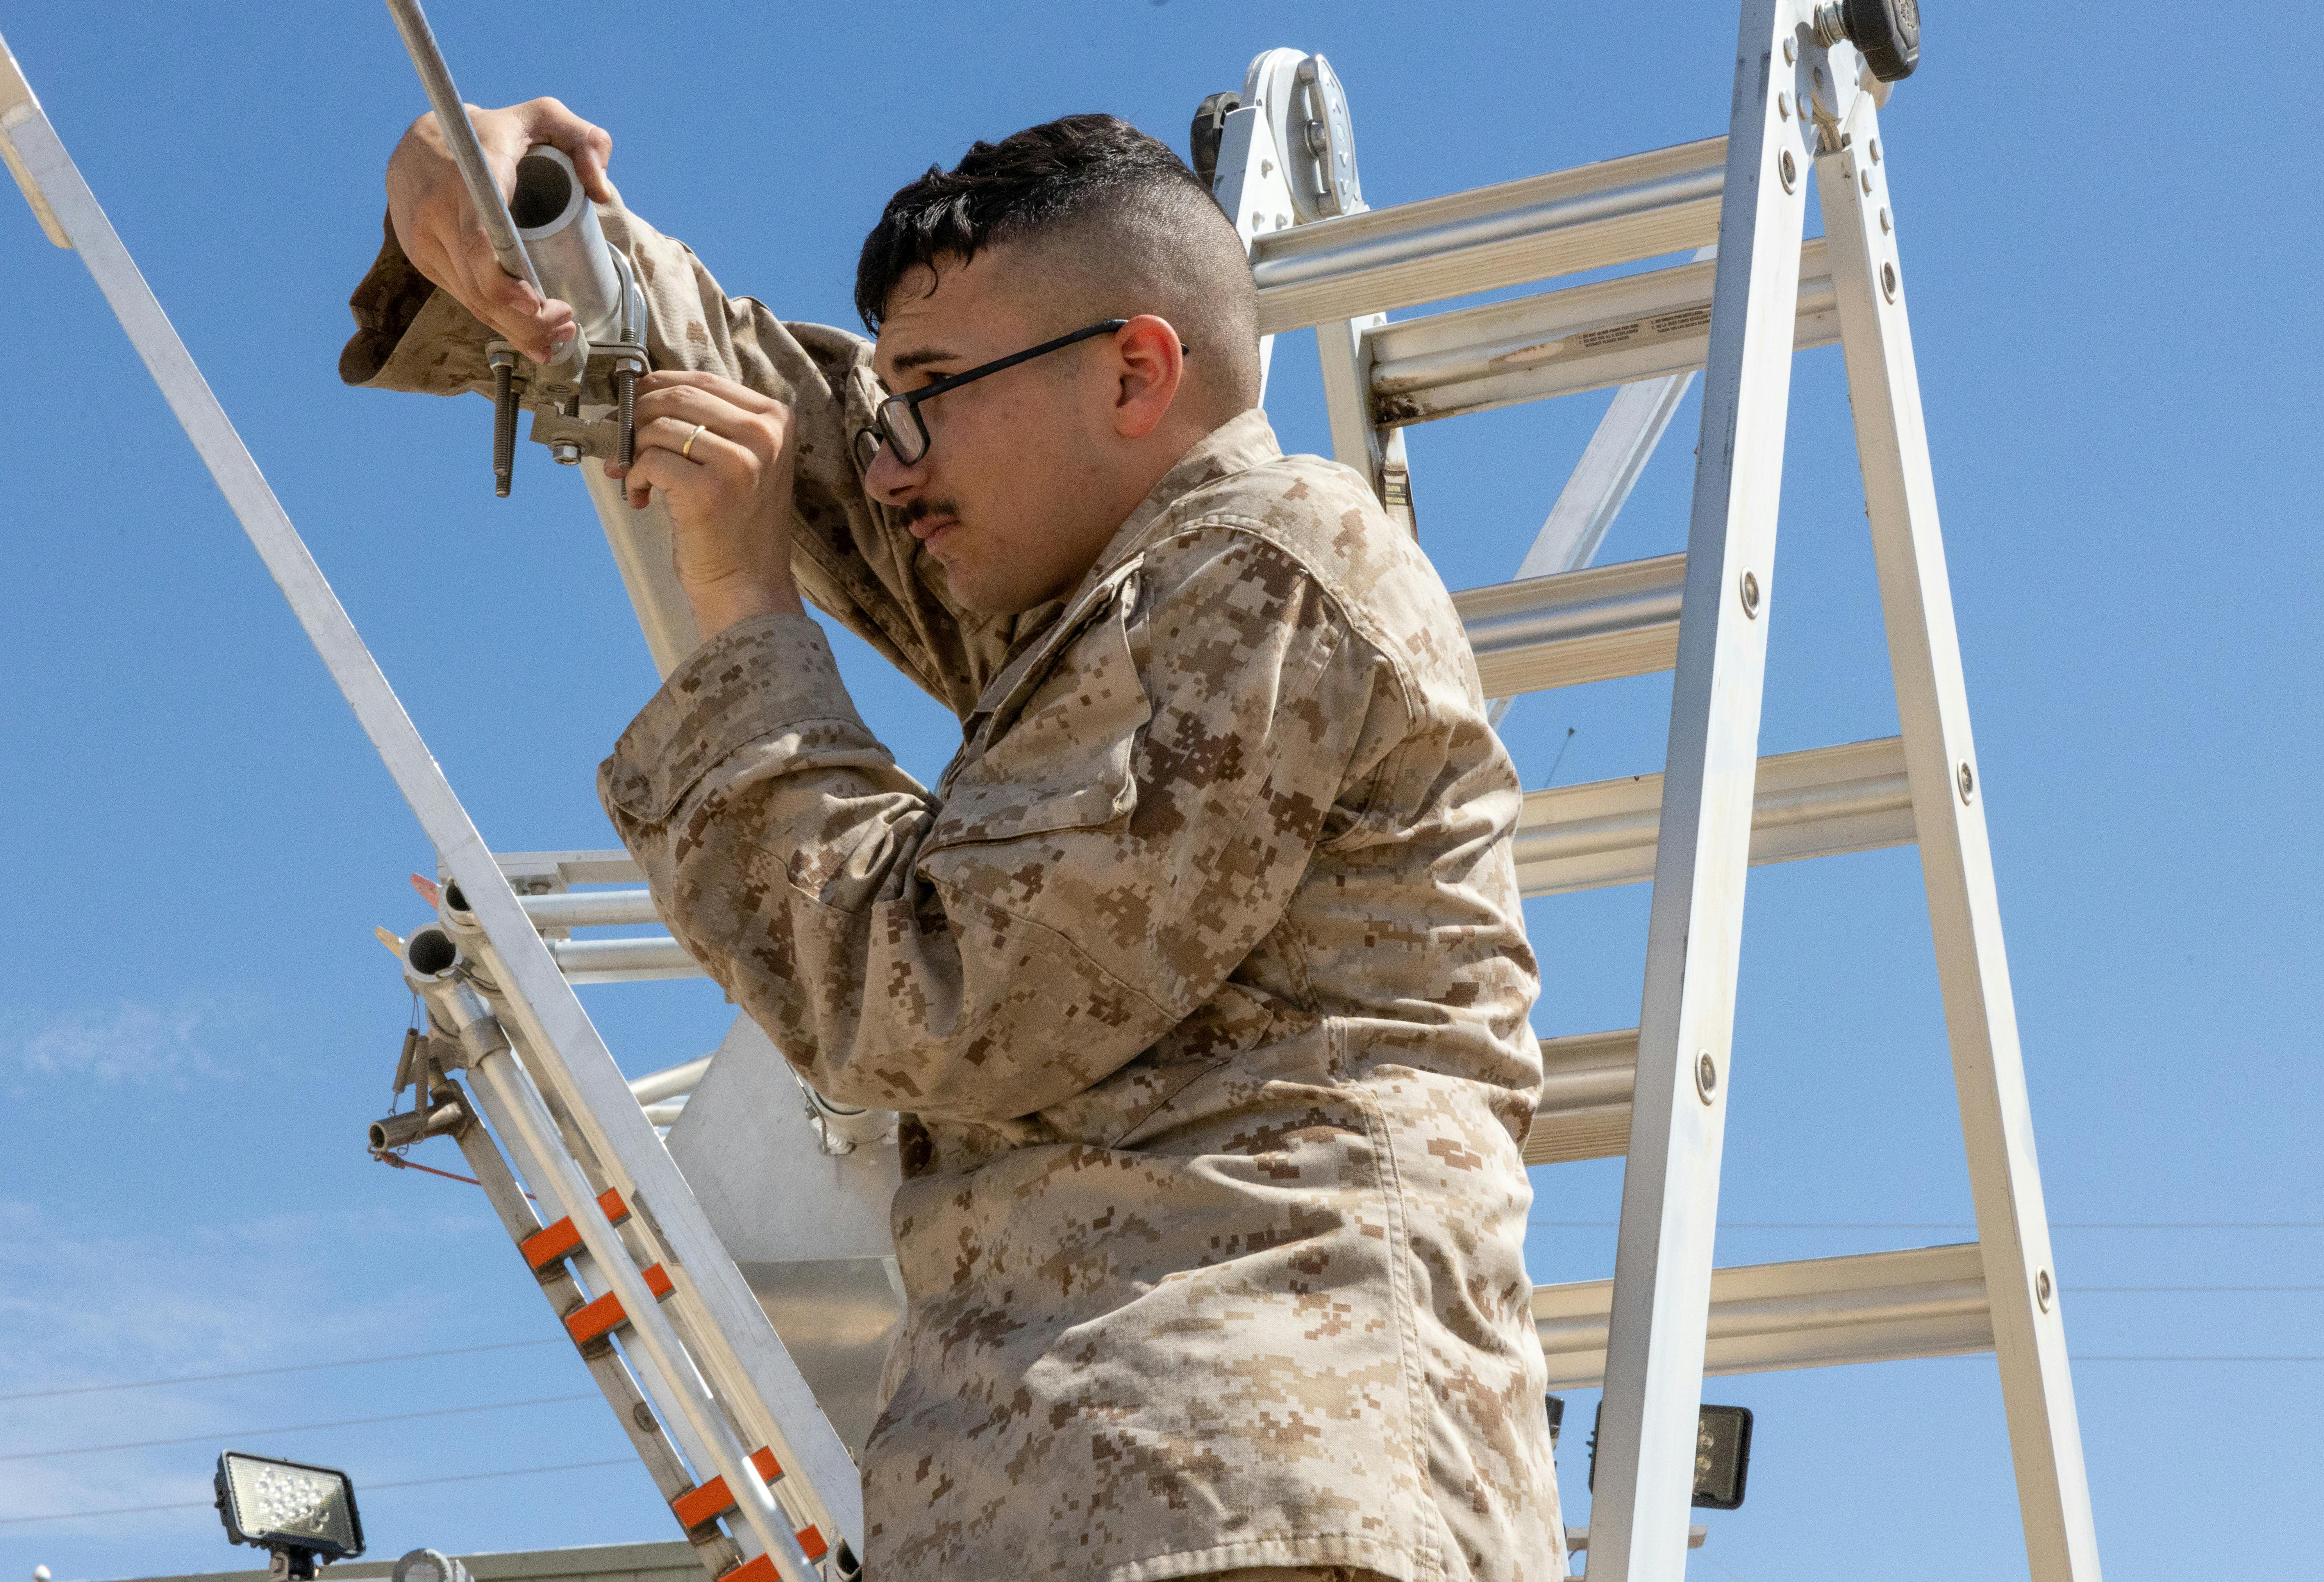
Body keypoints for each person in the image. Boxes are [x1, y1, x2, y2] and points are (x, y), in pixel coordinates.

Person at [344, 98, 1564, 1582]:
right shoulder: (1111, 594)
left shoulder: (1254, 576)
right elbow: (806, 450)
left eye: (925, 391)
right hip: (1144, 1507)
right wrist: (535, 229)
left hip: (1237, 1503)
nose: (891, 460)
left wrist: (741, 612)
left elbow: (912, 994)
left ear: (1133, 375)